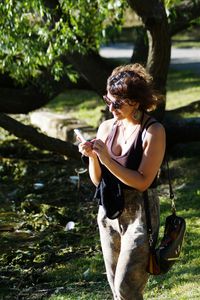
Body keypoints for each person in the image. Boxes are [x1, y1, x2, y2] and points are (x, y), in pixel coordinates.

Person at [78, 63, 166, 300]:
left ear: (136, 102)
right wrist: (93, 159)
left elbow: (142, 181)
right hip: (108, 213)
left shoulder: (152, 131)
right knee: (115, 288)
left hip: (140, 214)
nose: (111, 108)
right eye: (108, 101)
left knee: (127, 289)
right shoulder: (107, 127)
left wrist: (106, 158)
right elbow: (98, 181)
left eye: (118, 103)